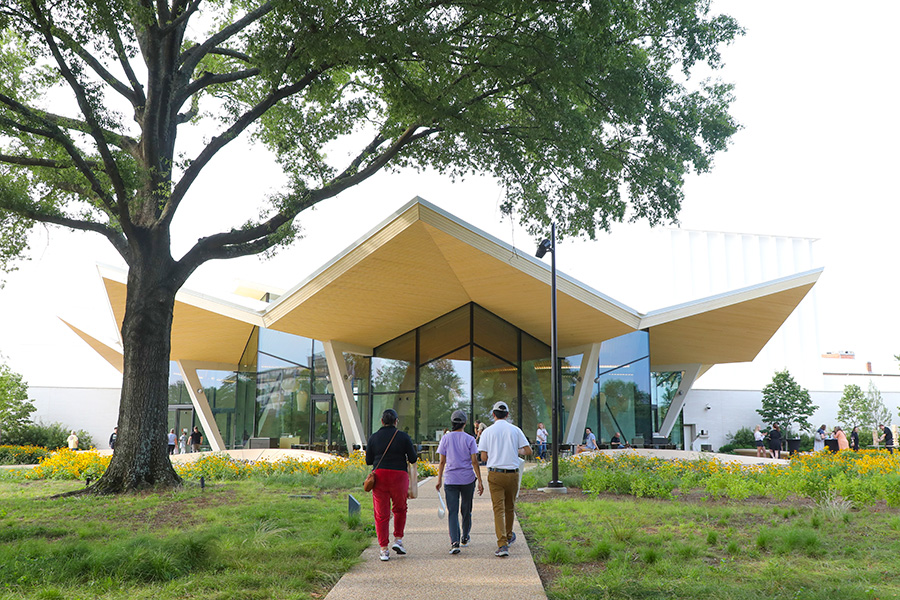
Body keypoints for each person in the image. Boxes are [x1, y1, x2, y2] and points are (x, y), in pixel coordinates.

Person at [477, 400, 532, 558]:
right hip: (513, 473)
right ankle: (508, 535)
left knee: (498, 509)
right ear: (507, 415)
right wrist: (515, 450)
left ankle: (502, 544)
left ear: (493, 415)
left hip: (495, 473)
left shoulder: (487, 432)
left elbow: (484, 456)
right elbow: (528, 450)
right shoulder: (515, 430)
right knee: (510, 507)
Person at [366, 408, 417, 562]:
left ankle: (383, 550)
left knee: (381, 514)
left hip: (380, 477)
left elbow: (369, 461)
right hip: (399, 477)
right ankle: (398, 540)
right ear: (396, 422)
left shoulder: (374, 437)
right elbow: (413, 458)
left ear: (382, 421)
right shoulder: (403, 437)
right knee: (400, 508)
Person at [435, 410, 484, 554]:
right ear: (465, 423)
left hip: (450, 480)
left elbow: (442, 461)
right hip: (468, 479)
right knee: (466, 510)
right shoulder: (469, 439)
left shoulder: (445, 438)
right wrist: (480, 480)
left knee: (453, 511)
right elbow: (474, 461)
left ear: (452, 423)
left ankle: (455, 542)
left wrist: (439, 480)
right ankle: (465, 536)